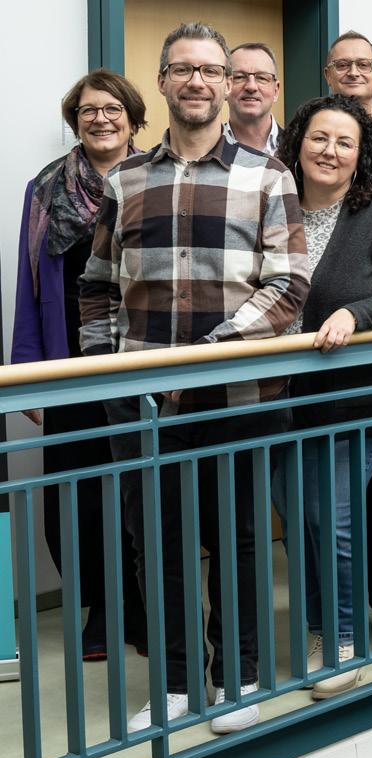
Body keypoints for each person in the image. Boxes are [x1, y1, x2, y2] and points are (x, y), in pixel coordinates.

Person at [78, 22, 309, 733]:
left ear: (228, 84)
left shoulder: (268, 176)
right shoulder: (124, 179)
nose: (198, 82)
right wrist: (108, 374)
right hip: (144, 402)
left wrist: (211, 350)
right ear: (163, 81)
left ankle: (238, 677)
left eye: (211, 70)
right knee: (159, 546)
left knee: (239, 542)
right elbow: (97, 287)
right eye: (184, 69)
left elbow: (289, 284)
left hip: (239, 395)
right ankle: (176, 682)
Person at [271, 94, 372, 695]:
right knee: (297, 524)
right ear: (298, 143)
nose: (329, 151)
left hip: (350, 402)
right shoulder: (273, 205)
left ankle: (346, 639)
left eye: (344, 142)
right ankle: (317, 629)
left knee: (331, 523)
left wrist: (354, 315)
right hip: (278, 400)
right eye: (319, 138)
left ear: (361, 156)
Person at [14, 68, 148, 661]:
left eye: (113, 108)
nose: (101, 118)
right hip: (69, 365)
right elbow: (29, 286)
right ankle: (100, 610)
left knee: (139, 489)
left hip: (138, 358)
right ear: (75, 120)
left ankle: (144, 607)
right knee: (77, 498)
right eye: (89, 110)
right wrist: (30, 373)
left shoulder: (156, 177)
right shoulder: (45, 189)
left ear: (133, 118)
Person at [223, 43, 281, 154]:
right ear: (226, 87)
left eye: (262, 78)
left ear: (276, 91)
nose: (251, 87)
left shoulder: (299, 149)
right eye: (239, 77)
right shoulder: (204, 149)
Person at [323, 30, 372, 113]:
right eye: (342, 65)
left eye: (363, 65)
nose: (353, 73)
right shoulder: (313, 121)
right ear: (328, 75)